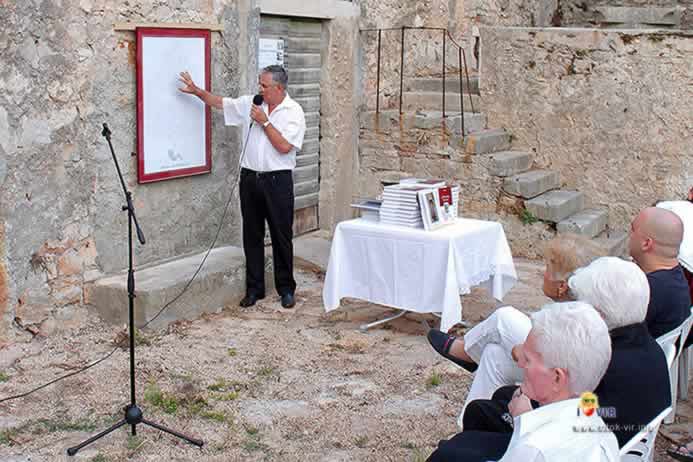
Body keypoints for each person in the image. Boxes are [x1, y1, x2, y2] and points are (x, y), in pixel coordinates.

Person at [462, 257, 671, 448]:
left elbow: (573, 422)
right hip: (608, 432)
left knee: (478, 414)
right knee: (498, 384)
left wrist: (529, 413)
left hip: (572, 444)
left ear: (597, 315)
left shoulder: (604, 360)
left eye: (579, 303)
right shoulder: (649, 347)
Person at [427, 235, 602, 424]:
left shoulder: (573, 317)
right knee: (493, 355)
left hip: (562, 379)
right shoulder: (578, 311)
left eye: (548, 270)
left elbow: (556, 356)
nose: (543, 274)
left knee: (505, 318)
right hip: (559, 370)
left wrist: (526, 351)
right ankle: (469, 426)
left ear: (562, 286)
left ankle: (466, 352)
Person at [179, 66, 306, 309]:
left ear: (279, 88)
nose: (260, 89)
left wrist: (265, 122)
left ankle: (286, 289)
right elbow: (221, 103)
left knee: (281, 236)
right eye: (260, 84)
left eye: (265, 86)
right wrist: (197, 91)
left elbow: (284, 147)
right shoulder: (254, 103)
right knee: (252, 236)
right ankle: (254, 289)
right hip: (250, 179)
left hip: (277, 181)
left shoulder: (294, 112)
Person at [427, 301, 618, 462]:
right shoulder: (603, 435)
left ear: (557, 377)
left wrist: (523, 425)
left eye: (527, 359)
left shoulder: (533, 449)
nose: (520, 364)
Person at [629, 207, 690, 338]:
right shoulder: (676, 278)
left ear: (646, 244)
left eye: (632, 230)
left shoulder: (648, 292)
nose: (629, 235)